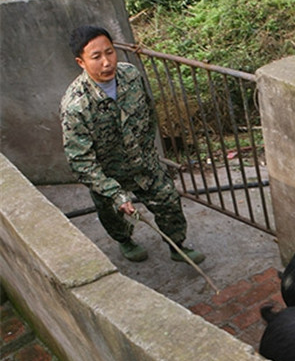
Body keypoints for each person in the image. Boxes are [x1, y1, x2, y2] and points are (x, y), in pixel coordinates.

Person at [61, 25, 204, 264]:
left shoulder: (130, 76)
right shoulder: (76, 106)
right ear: (81, 62)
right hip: (108, 176)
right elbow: (80, 161)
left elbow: (148, 114)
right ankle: (125, 240)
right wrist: (114, 192)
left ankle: (177, 245)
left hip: (144, 163)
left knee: (168, 201)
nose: (107, 62)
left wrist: (148, 154)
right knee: (113, 215)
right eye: (96, 57)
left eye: (110, 52)